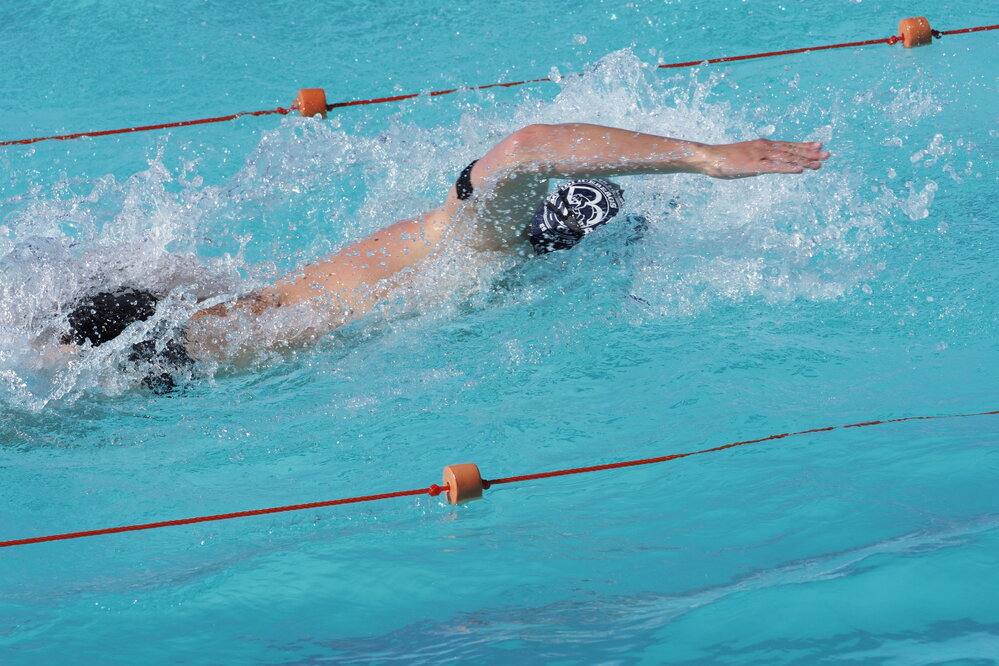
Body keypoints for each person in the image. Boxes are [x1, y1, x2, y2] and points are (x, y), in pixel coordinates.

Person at [61, 123, 829, 389]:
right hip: (187, 352)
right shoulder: (483, 243)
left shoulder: (433, 236)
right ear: (551, 238)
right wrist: (705, 158)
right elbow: (530, 147)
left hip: (192, 321)